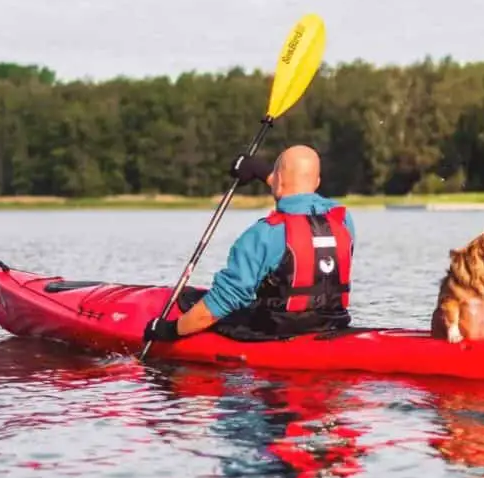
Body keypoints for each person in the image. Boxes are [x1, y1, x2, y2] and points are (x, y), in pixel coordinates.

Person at [143, 144, 356, 343]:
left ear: (279, 181)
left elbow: (220, 304)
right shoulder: (344, 221)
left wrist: (168, 331)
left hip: (277, 330)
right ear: (317, 182)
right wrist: (259, 170)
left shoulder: (263, 234)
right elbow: (309, 201)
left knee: (190, 299)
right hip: (333, 322)